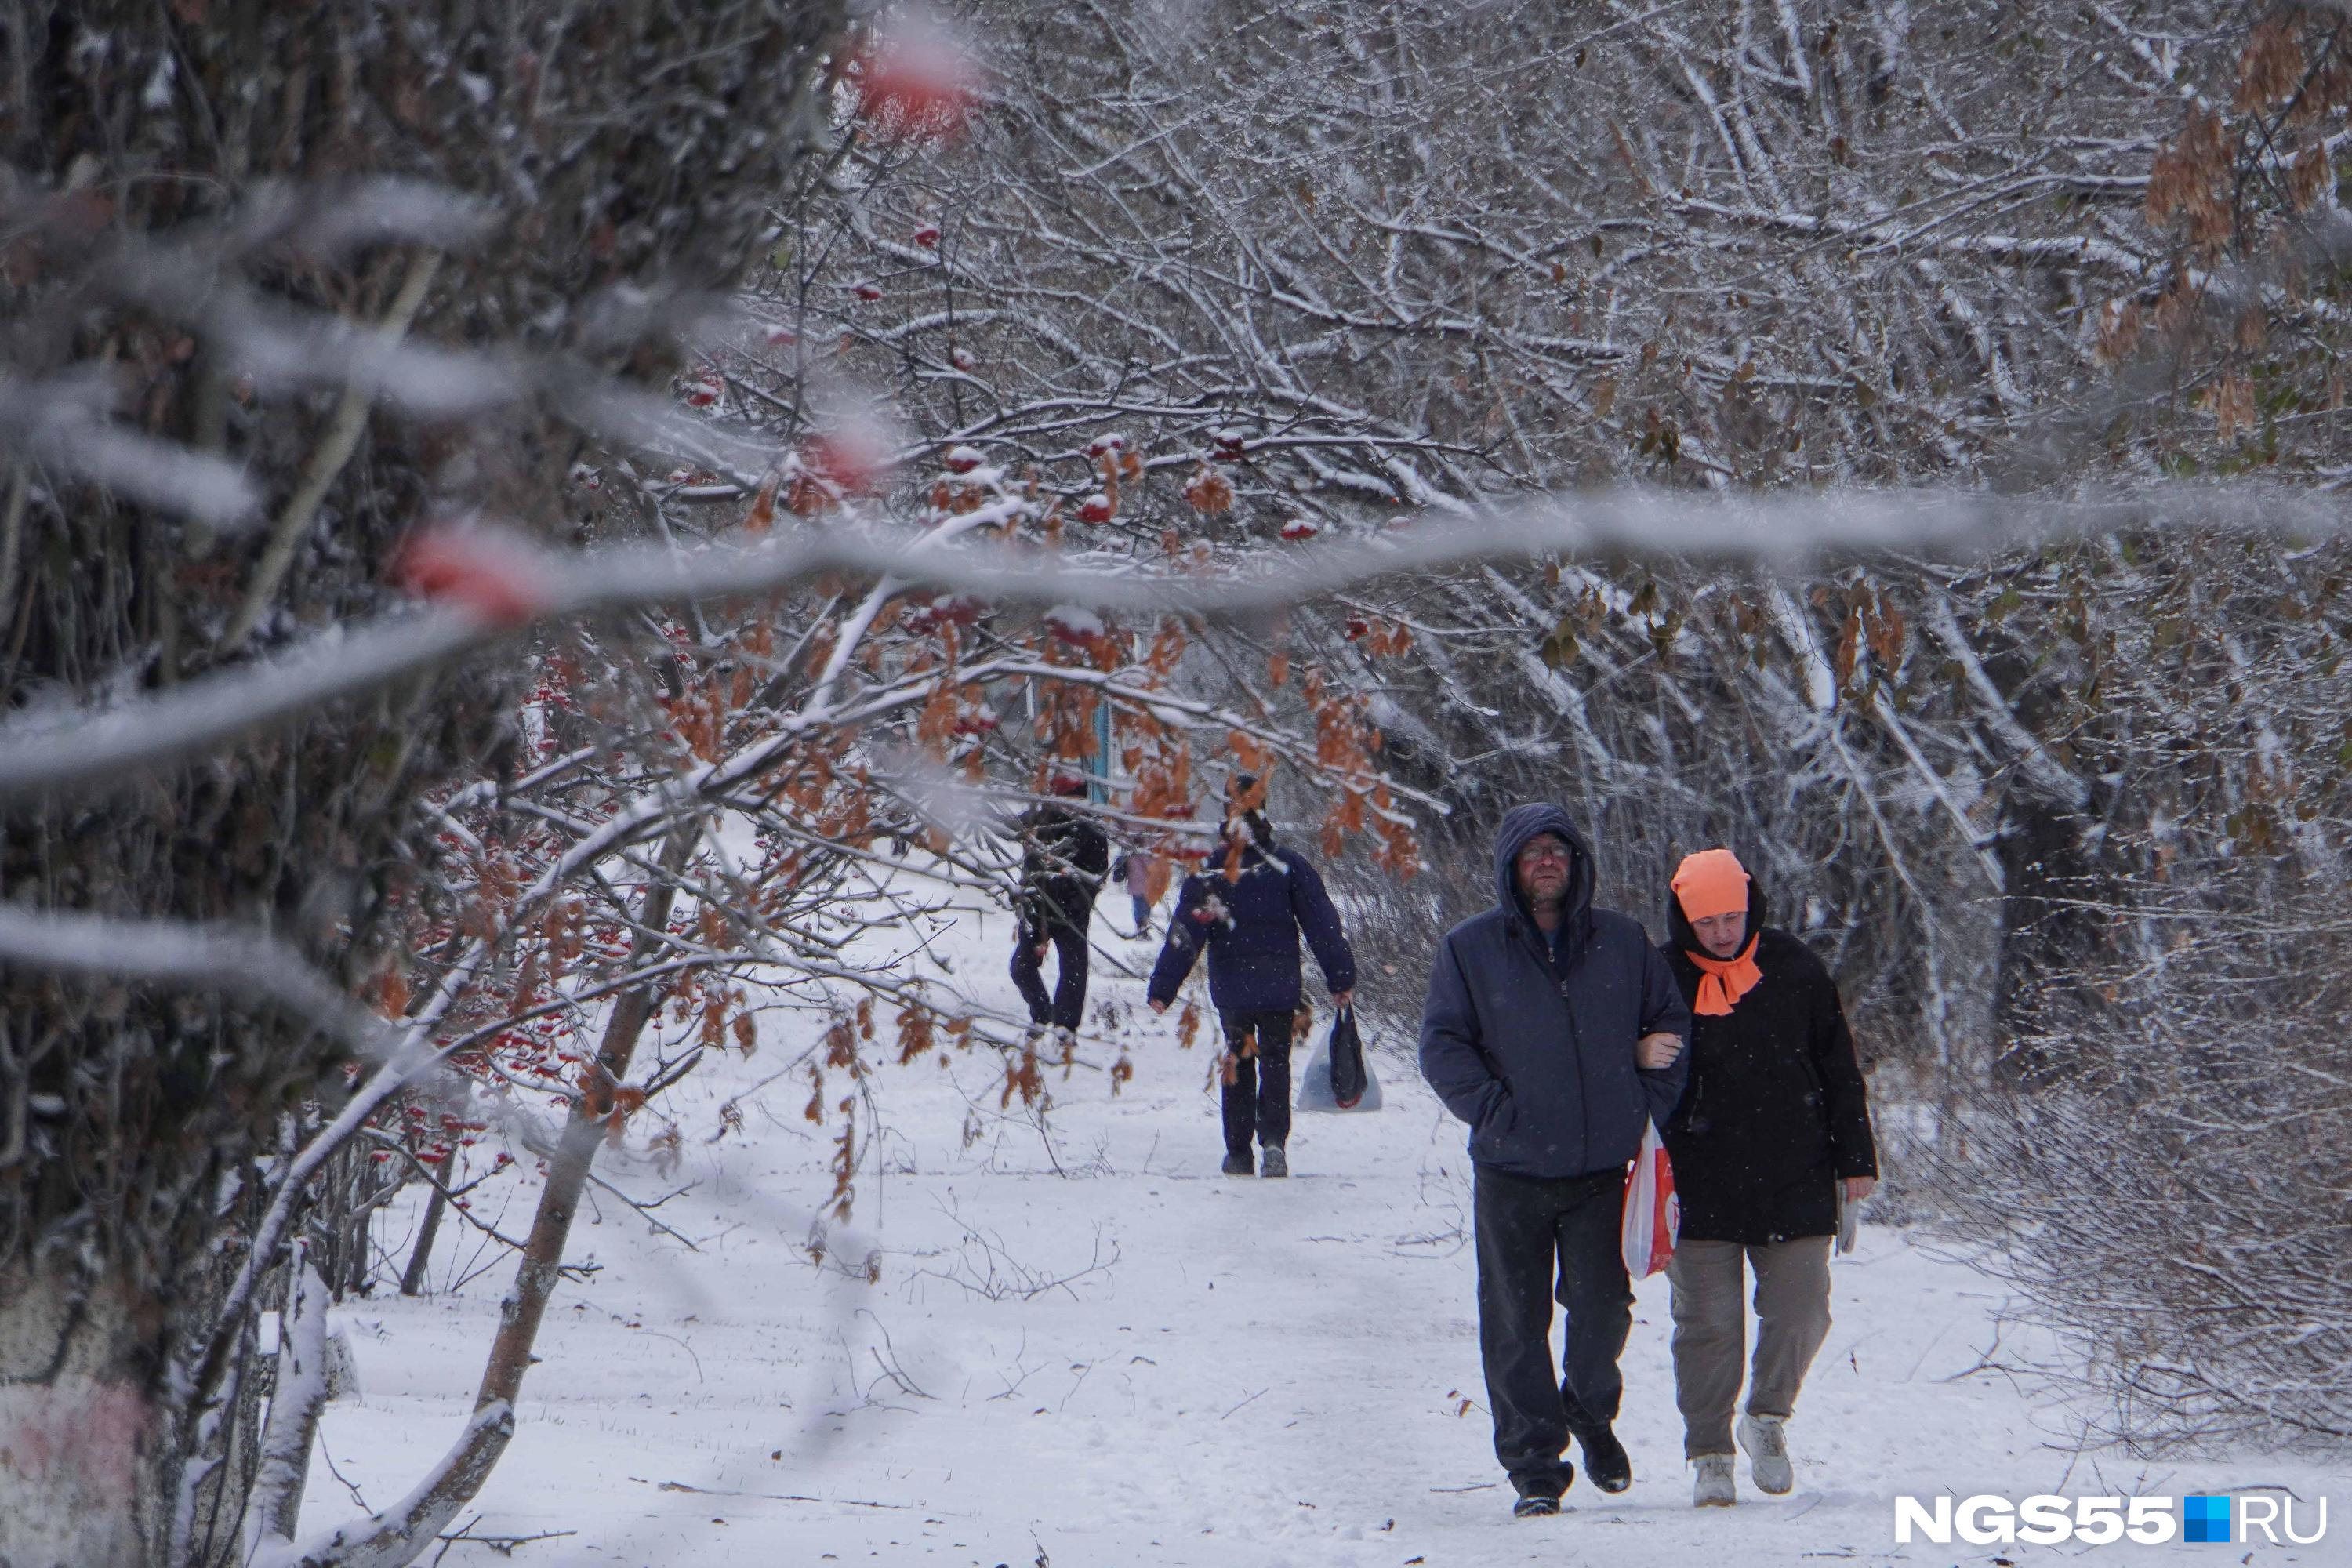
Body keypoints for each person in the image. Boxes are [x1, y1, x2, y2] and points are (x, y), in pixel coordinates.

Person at [1417, 804, 1690, 1518]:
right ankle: (1536, 1467)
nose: (1547, 860)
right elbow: (1443, 1047)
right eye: (1533, 850)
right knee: (1515, 1321)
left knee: (1603, 1313)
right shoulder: (1470, 949)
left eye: (1558, 850)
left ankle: (1590, 1411)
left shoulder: (1624, 943)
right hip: (1511, 1171)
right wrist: (1498, 1113)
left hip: (1602, 1169)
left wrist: (1641, 1105)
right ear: (1511, 864)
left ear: (1577, 864)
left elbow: (1670, 1026)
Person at [1657, 848, 1878, 1508]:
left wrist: (1856, 1159)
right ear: (1684, 920)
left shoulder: (1795, 967)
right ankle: (1710, 1453)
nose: (1723, 933)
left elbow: (1838, 1064)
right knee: (1709, 1325)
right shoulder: (1659, 977)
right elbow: (1634, 1075)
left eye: (1733, 917)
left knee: (1803, 1309)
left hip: (1796, 1171)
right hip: (1697, 1178)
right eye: (1708, 922)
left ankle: (1766, 1419)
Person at [1146, 777, 1354, 1178]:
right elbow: (1322, 925)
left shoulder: (1213, 871)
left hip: (1235, 989)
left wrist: (1164, 987)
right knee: (1276, 1061)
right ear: (1265, 810)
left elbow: (1187, 932)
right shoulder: (1288, 865)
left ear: (1228, 812)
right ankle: (1274, 1142)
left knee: (1239, 1061)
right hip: (1279, 987)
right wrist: (1340, 976)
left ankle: (1239, 1152)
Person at [1009, 775, 1109, 1044]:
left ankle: (1066, 1026)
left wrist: (1077, 904)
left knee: (1074, 970)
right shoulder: (1040, 822)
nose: (1070, 808)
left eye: (1075, 801)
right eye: (1065, 801)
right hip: (1036, 910)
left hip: (1073, 914)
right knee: (1021, 967)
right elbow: (1011, 826)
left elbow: (1096, 876)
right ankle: (1042, 1013)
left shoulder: (1092, 831)